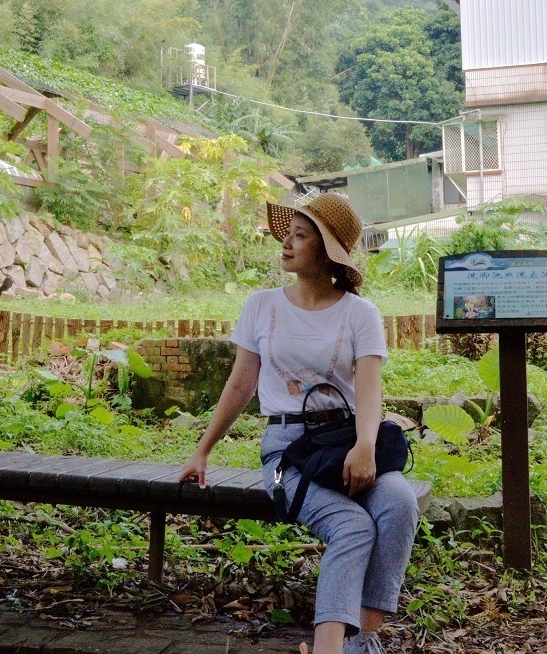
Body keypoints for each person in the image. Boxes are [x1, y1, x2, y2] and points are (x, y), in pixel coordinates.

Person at [178, 193, 420, 654]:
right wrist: (202, 449)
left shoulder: (360, 314)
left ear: (327, 249)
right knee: (351, 527)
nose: (286, 243)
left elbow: (370, 391)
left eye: (300, 235)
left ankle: (362, 640)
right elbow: (239, 386)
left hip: (346, 442)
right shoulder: (262, 305)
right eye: (286, 234)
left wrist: (365, 446)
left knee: (399, 504)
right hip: (284, 452)